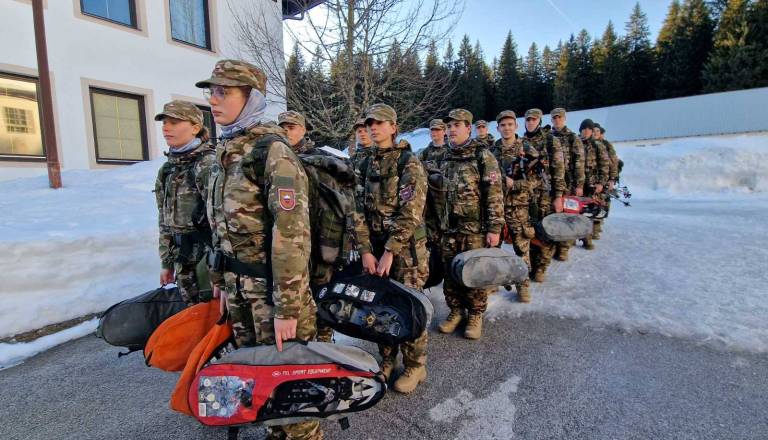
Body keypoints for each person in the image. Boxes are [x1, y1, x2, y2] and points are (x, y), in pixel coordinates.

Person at [198, 59, 321, 440]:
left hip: (273, 296)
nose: (213, 100)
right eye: (211, 91)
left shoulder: (272, 152)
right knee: (257, 381)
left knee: (292, 390)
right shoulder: (227, 152)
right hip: (240, 294)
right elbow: (220, 227)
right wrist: (221, 281)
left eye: (224, 92)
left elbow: (292, 235)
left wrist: (287, 307)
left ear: (250, 97)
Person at [354, 103, 430, 394]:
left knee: (410, 306)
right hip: (375, 248)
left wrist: (389, 250)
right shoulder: (364, 162)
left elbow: (411, 211)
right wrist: (365, 249)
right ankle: (387, 359)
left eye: (380, 123)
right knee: (379, 306)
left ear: (393, 127)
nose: (374, 127)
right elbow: (356, 210)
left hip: (406, 250)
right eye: (370, 123)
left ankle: (415, 365)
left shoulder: (408, 161)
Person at [434, 109, 504, 338]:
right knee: (450, 273)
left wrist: (494, 228)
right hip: (447, 229)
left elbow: (493, 193)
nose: (451, 130)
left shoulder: (483, 156)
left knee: (474, 273)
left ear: (468, 128)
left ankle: (475, 314)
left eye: (456, 125)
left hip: (474, 229)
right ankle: (455, 311)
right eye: (449, 126)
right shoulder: (442, 157)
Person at [154, 100, 216, 305]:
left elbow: (221, 220)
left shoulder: (207, 164)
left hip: (207, 259)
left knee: (213, 318)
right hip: (183, 258)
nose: (166, 127)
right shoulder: (168, 170)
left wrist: (220, 270)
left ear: (195, 128)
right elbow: (164, 220)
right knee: (190, 316)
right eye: (164, 122)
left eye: (174, 122)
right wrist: (167, 261)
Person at [490, 110, 534, 303]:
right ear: (498, 128)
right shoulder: (492, 151)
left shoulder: (527, 149)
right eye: (502, 125)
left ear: (516, 126)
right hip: (496, 207)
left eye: (510, 124)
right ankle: (493, 282)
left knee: (521, 248)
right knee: (494, 247)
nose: (506, 128)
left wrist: (514, 184)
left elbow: (537, 181)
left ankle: (523, 285)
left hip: (518, 207)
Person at [522, 109, 565, 283]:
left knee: (547, 231)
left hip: (546, 195)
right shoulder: (521, 142)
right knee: (530, 231)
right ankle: (531, 264)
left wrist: (559, 195)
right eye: (528, 120)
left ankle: (541, 267)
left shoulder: (550, 141)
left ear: (539, 120)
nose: (531, 122)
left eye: (534, 119)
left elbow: (559, 170)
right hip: (526, 195)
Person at [550, 108, 585, 262]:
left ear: (564, 119)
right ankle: (552, 246)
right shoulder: (548, 137)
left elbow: (579, 162)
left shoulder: (573, 138)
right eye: (554, 117)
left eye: (559, 117)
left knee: (568, 216)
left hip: (569, 183)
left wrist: (579, 184)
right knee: (553, 215)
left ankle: (564, 248)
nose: (557, 120)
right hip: (552, 183)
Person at [578, 118, 610, 250]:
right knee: (574, 211)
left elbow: (604, 166)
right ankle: (570, 239)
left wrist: (601, 183)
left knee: (588, 213)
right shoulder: (576, 143)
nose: (586, 131)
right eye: (584, 129)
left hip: (591, 185)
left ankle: (587, 238)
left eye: (589, 129)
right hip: (577, 184)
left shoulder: (598, 146)